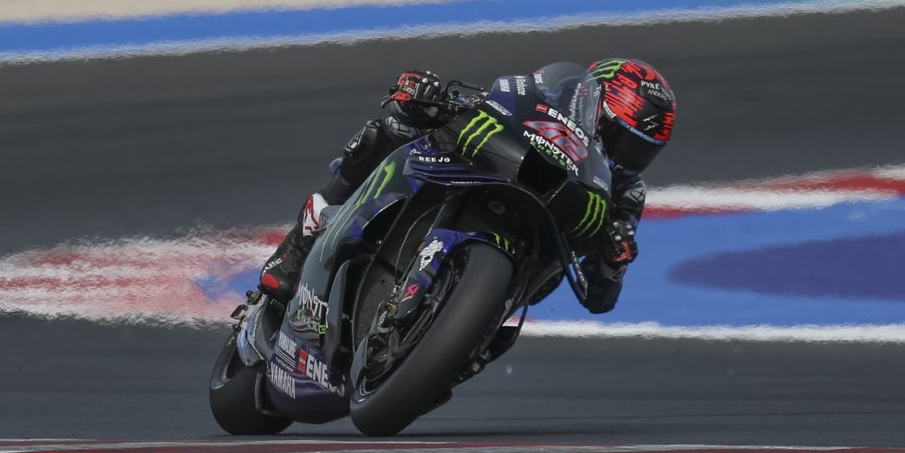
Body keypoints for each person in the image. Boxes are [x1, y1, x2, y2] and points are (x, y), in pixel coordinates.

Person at [259, 59, 676, 315]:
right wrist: (426, 98)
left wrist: (614, 262)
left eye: (640, 152)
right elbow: (494, 103)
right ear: (590, 104)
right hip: (499, 170)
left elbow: (600, 299)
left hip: (529, 260)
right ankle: (301, 245)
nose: (623, 158)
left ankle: (464, 341)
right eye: (618, 139)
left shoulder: (626, 195)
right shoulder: (549, 97)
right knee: (389, 131)